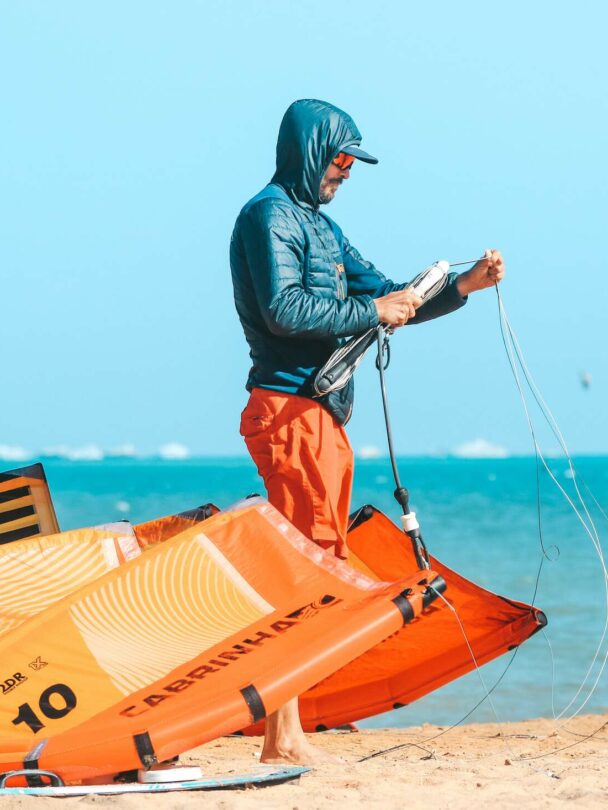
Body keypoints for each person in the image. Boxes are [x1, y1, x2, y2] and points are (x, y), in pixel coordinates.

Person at [230, 98, 504, 764]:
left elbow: (389, 294)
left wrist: (460, 286)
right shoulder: (267, 218)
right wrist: (373, 306)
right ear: (313, 150)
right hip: (288, 410)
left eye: (352, 163)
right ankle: (280, 733)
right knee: (302, 571)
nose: (347, 173)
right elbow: (282, 308)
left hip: (323, 416)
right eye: (342, 159)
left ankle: (298, 716)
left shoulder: (323, 228)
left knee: (322, 562)